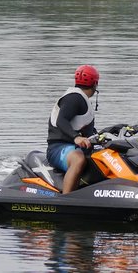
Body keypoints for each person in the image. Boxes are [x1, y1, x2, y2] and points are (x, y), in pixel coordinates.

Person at [46, 64, 100, 193]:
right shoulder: (74, 98)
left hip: (75, 147)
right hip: (58, 148)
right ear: (95, 83)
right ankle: (66, 198)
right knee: (78, 159)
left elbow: (84, 127)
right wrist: (76, 137)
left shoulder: (82, 98)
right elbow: (61, 121)